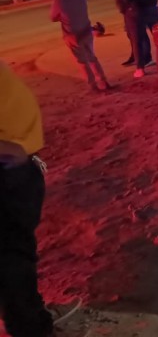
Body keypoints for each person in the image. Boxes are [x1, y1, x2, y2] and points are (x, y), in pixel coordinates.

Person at [0, 62, 53, 337]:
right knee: (13, 255)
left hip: (13, 164)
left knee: (16, 250)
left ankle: (27, 313)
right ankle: (30, 326)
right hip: (7, 169)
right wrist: (8, 150)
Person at [49, 0, 109, 92]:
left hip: (73, 35)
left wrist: (63, 17)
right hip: (86, 30)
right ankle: (103, 81)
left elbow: (53, 18)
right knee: (92, 57)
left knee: (82, 61)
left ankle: (92, 85)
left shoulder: (59, 1)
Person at [112, 0, 135, 67]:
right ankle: (136, 55)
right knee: (131, 35)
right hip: (126, 9)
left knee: (133, 35)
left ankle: (137, 57)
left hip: (129, 9)